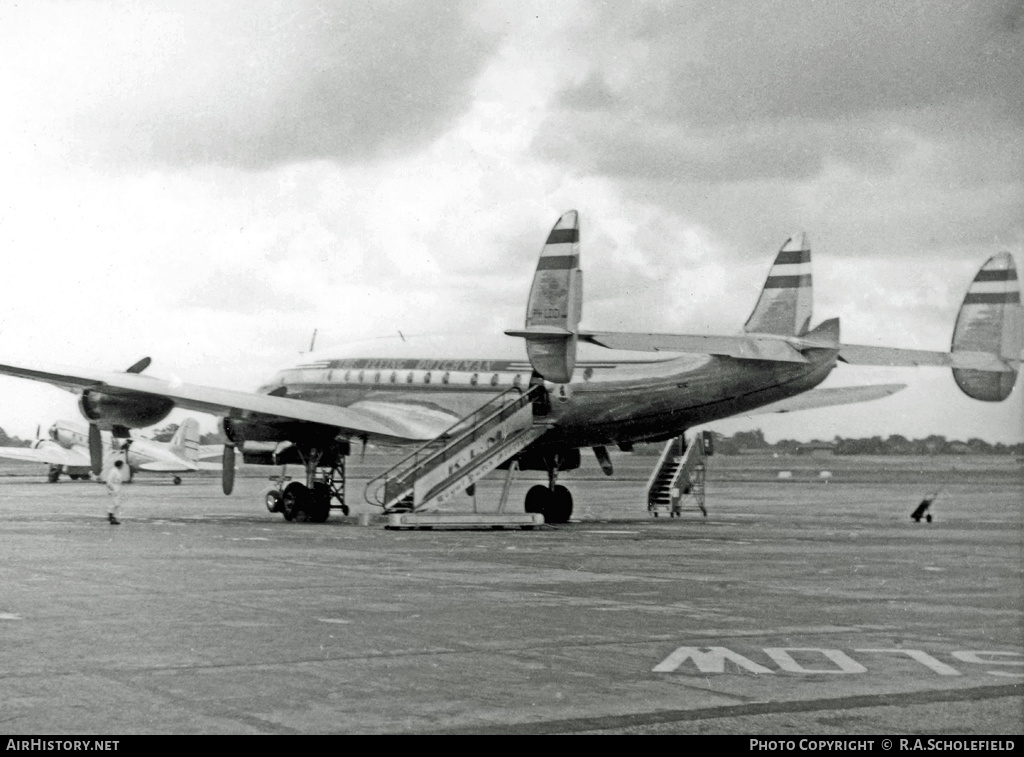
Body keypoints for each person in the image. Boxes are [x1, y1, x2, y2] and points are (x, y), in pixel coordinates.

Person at [106, 459, 126, 525]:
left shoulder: (117, 471)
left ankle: (112, 517)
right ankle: (111, 516)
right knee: (114, 504)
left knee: (116, 504)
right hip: (114, 488)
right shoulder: (113, 471)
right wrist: (112, 489)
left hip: (117, 488)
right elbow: (109, 481)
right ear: (119, 465)